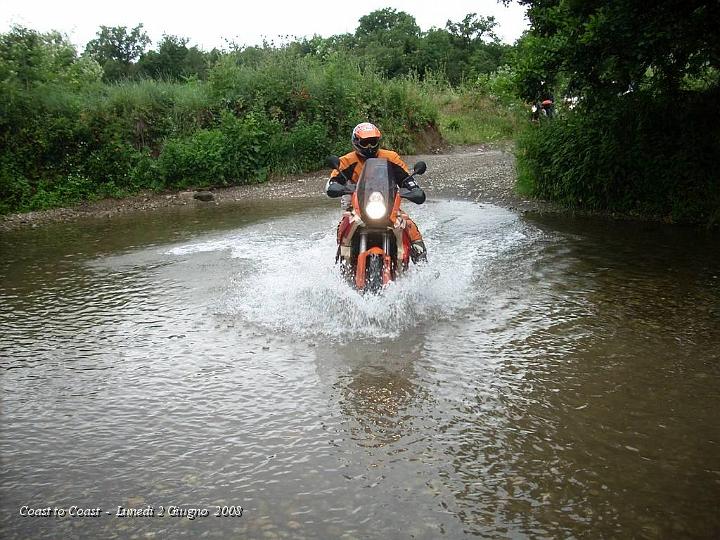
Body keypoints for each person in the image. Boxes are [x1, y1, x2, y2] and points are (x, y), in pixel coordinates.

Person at [326, 122, 427, 263]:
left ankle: (421, 265)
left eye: (373, 142)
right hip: (356, 207)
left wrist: (414, 188)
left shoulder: (391, 158)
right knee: (345, 225)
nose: (369, 147)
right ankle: (342, 258)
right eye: (365, 142)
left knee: (408, 225)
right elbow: (333, 180)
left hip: (387, 205)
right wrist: (334, 187)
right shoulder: (347, 161)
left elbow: (406, 178)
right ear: (356, 142)